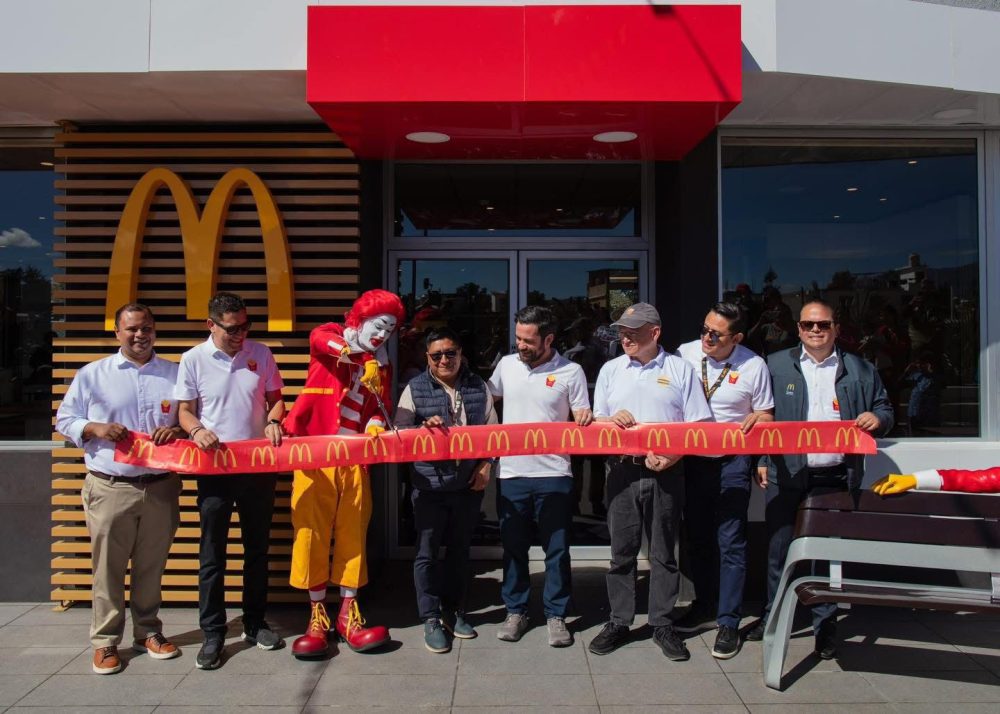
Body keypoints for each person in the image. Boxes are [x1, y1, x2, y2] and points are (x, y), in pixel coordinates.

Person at [746, 298, 893, 659]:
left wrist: (878, 421)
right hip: (787, 472)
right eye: (809, 324)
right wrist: (762, 458)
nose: (815, 330)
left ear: (836, 329)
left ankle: (824, 622)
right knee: (780, 549)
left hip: (835, 474)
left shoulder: (860, 368)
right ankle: (774, 614)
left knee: (826, 554)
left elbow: (884, 408)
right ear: (798, 329)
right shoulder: (775, 365)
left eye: (823, 325)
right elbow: (763, 415)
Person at [56, 303, 183, 675]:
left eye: (146, 328)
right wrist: (94, 428)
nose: (139, 335)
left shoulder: (174, 375)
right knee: (108, 568)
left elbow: (190, 420)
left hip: (160, 486)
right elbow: (66, 418)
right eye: (131, 329)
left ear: (155, 329)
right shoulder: (94, 374)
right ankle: (105, 642)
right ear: (117, 332)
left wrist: (176, 430)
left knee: (151, 566)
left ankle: (147, 632)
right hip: (110, 486)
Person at [282, 289, 405, 659]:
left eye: (392, 330)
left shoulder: (381, 365)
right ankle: (316, 615)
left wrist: (372, 426)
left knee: (353, 532)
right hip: (315, 454)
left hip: (353, 459)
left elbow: (376, 409)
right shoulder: (330, 335)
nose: (384, 335)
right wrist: (363, 355)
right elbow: (327, 343)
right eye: (380, 325)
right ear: (362, 318)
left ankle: (348, 614)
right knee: (311, 532)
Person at [587, 302, 713, 661]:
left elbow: (698, 425)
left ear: (654, 332)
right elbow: (596, 424)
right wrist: (610, 420)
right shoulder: (611, 370)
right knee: (621, 552)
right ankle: (619, 621)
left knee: (663, 553)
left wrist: (673, 455)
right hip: (622, 470)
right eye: (622, 331)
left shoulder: (680, 369)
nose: (624, 336)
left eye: (633, 330)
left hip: (667, 471)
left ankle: (661, 622)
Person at [175, 292, 286, 670]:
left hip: (257, 468)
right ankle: (213, 632)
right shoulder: (192, 359)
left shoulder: (262, 353)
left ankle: (255, 622)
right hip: (215, 471)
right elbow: (185, 411)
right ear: (211, 325)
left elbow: (276, 399)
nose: (240, 334)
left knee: (257, 551)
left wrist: (274, 420)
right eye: (232, 328)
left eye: (245, 326)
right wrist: (196, 431)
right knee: (212, 555)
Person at [487, 305, 592, 647]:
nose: (521, 345)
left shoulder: (571, 371)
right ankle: (515, 611)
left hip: (554, 474)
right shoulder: (505, 365)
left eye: (528, 340)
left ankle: (556, 615)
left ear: (548, 339)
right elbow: (484, 400)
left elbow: (582, 416)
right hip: (512, 473)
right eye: (518, 337)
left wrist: (588, 416)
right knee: (514, 549)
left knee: (557, 550)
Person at [674, 302, 774, 659]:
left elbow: (765, 414)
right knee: (698, 536)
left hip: (733, 460)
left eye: (715, 334)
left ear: (737, 337)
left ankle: (729, 621)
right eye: (704, 328)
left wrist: (760, 443)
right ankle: (705, 607)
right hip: (692, 459)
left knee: (730, 539)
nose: (706, 337)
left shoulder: (753, 365)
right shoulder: (684, 354)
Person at [395, 328, 497, 653]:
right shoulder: (415, 388)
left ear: (460, 353)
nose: (444, 360)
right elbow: (398, 431)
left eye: (450, 353)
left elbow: (493, 433)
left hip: (466, 484)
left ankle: (453, 610)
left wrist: (486, 465)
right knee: (426, 554)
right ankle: (430, 617)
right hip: (428, 486)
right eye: (437, 355)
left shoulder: (478, 386)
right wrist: (421, 429)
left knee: (458, 552)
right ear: (427, 357)